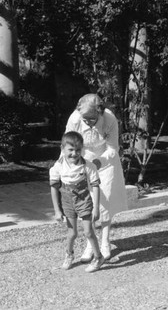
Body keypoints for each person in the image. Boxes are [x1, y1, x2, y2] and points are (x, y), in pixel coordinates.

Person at [65, 93, 128, 261]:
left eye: (92, 119)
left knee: (105, 201)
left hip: (106, 162)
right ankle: (90, 244)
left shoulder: (109, 119)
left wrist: (99, 162)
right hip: (83, 161)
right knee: (88, 203)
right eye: (85, 120)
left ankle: (105, 241)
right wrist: (65, 164)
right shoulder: (75, 119)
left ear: (100, 113)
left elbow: (113, 148)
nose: (88, 123)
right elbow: (68, 144)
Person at [49, 131, 105, 273]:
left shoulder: (88, 166)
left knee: (88, 232)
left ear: (82, 150)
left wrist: (96, 208)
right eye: (70, 150)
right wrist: (57, 210)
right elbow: (54, 188)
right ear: (62, 149)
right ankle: (69, 254)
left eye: (78, 150)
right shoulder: (58, 166)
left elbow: (95, 186)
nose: (74, 153)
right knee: (72, 233)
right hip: (67, 201)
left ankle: (98, 257)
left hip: (84, 200)